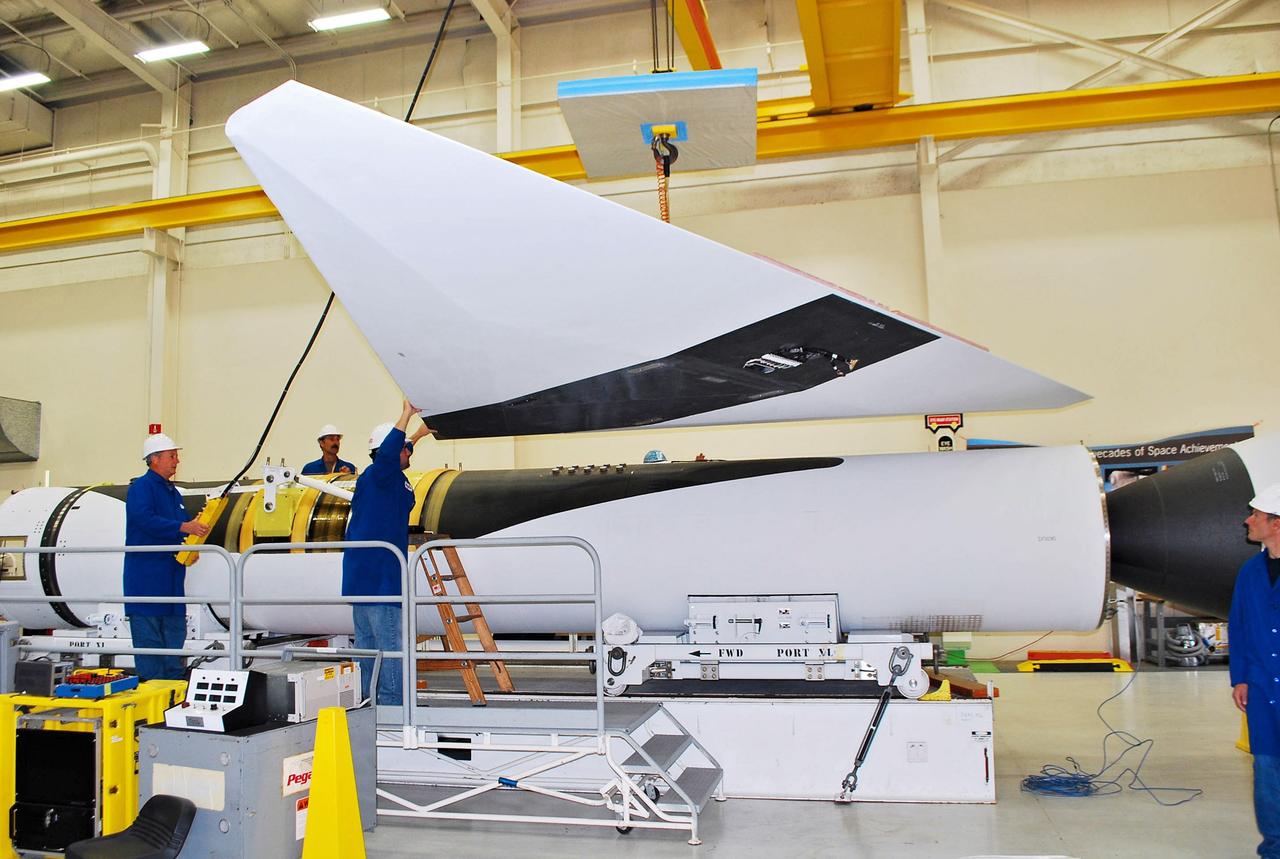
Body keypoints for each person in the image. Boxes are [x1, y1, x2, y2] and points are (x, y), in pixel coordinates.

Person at [343, 400, 434, 704]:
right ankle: (393, 704)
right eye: (405, 448)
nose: (409, 452)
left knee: (368, 647)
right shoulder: (380, 474)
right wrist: (406, 414)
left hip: (363, 579)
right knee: (389, 645)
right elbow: (390, 453)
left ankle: (368, 701)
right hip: (381, 579)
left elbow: (397, 450)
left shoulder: (382, 478)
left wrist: (419, 434)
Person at [124, 433, 210, 681]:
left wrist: (190, 545)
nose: (177, 461)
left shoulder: (173, 492)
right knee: (150, 640)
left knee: (174, 637)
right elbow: (144, 519)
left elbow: (176, 526)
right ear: (154, 459)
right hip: (147, 579)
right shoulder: (141, 487)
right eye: (172, 456)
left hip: (171, 579)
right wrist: (184, 527)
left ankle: (172, 688)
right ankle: (153, 689)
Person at [1230, 483, 1280, 859]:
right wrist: (1241, 678)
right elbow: (1240, 626)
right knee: (1267, 772)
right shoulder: (1250, 571)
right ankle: (1274, 847)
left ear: (1276, 524)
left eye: (1256, 515)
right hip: (1263, 689)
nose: (1248, 521)